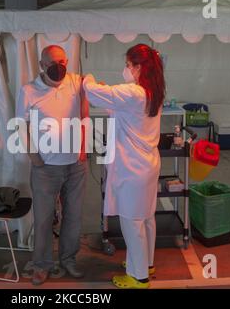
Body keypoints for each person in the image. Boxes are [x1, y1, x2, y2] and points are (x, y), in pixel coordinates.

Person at [83, 44, 165, 289]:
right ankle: (146, 263)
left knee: (132, 222)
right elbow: (118, 107)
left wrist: (87, 78)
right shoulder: (153, 92)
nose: (126, 69)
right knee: (147, 218)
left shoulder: (134, 92)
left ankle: (139, 277)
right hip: (147, 164)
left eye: (129, 65)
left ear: (139, 67)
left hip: (134, 169)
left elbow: (95, 93)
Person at [16, 45, 89, 286]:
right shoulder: (28, 90)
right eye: (51, 64)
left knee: (74, 217)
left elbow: (85, 110)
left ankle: (68, 259)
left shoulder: (76, 82)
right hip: (46, 168)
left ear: (67, 61)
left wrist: (82, 148)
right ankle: (41, 265)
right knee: (44, 218)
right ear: (41, 65)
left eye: (62, 62)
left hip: (75, 166)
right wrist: (34, 157)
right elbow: (20, 125)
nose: (58, 68)